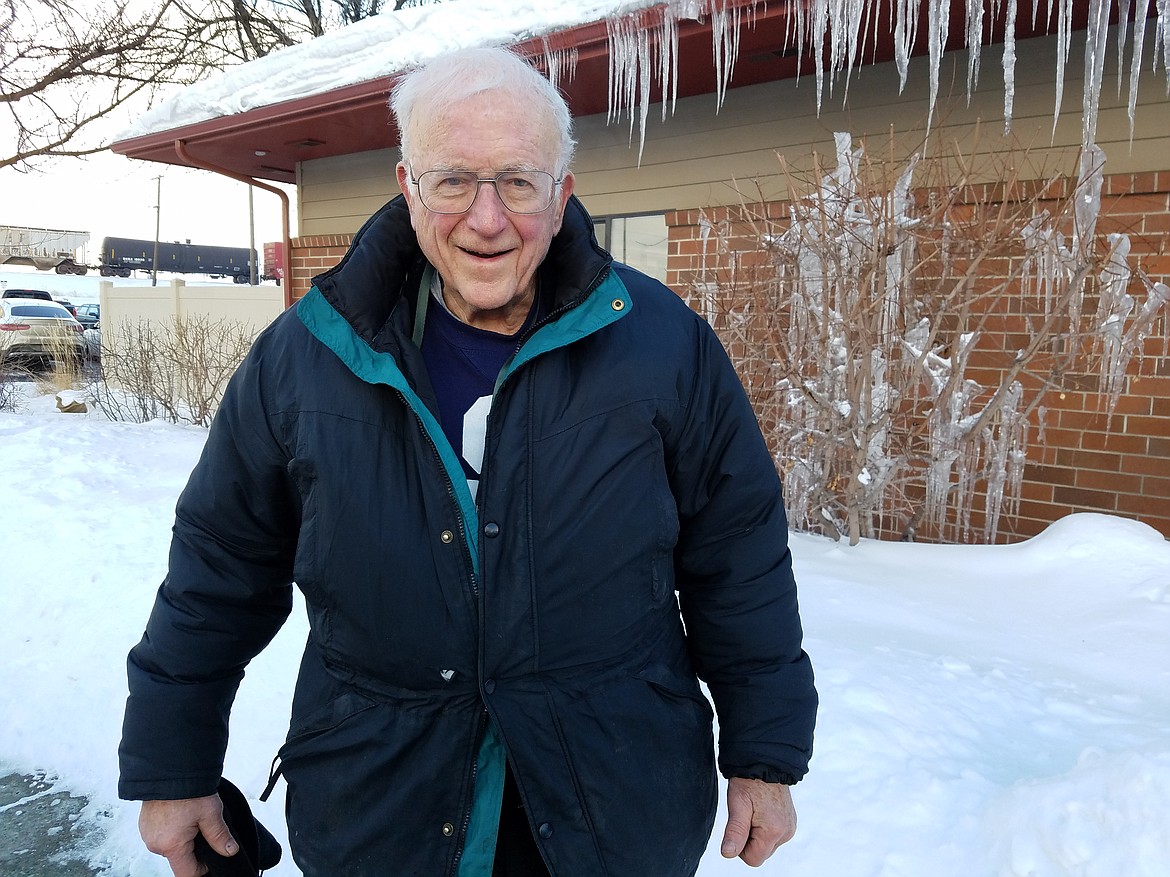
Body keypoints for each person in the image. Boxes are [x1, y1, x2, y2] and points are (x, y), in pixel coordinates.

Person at [119, 46, 817, 877]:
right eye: (454, 181)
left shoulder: (665, 347)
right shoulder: (305, 358)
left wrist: (764, 752)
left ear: (561, 197)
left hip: (614, 803)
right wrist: (173, 763)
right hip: (381, 808)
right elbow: (219, 565)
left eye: (518, 182)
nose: (487, 218)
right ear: (408, 187)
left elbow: (737, 553)